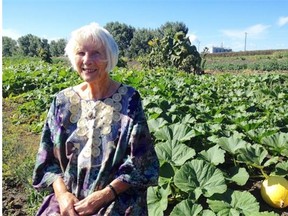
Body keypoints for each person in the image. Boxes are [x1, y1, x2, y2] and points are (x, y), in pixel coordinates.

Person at [32, 22, 159, 216]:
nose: (87, 60)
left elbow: (140, 162)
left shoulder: (129, 100)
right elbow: (47, 160)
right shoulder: (62, 101)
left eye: (96, 53)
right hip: (69, 199)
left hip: (114, 198)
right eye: (81, 53)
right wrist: (63, 195)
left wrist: (103, 196)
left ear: (109, 58)